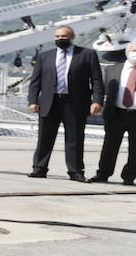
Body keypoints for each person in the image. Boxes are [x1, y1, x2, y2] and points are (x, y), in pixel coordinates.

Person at [27, 25, 103, 181]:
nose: (60, 39)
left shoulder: (87, 55)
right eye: (57, 37)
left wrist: (97, 101)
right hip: (50, 102)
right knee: (44, 138)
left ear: (73, 37)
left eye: (63, 36)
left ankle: (75, 171)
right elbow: (35, 81)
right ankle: (39, 168)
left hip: (75, 103)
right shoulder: (45, 56)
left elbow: (96, 80)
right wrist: (32, 100)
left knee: (74, 138)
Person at [89, 39, 136, 185]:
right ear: (127, 52)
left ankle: (129, 176)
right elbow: (101, 89)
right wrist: (95, 103)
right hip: (116, 114)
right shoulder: (112, 69)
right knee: (109, 146)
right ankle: (103, 174)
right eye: (134, 50)